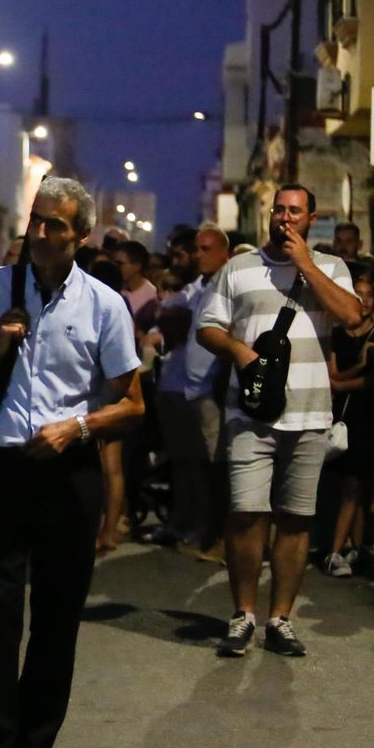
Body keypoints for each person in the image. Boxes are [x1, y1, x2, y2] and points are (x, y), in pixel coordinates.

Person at [0, 176, 143, 748]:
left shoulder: (103, 306)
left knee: (57, 618)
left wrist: (76, 427)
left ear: (80, 235)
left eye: (55, 225)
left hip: (67, 473)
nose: (40, 233)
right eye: (36, 219)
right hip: (1, 469)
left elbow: (132, 403)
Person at [195, 183, 360, 658]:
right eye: (280, 209)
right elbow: (208, 327)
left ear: (311, 219)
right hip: (250, 413)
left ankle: (280, 619)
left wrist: (306, 263)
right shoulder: (240, 268)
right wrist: (240, 351)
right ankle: (243, 613)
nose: (286, 217)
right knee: (247, 513)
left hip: (309, 414)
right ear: (270, 214)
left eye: (296, 211)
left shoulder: (331, 269)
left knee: (296, 519)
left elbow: (351, 315)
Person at [153, 226, 230, 551]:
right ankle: (193, 524)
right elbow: (167, 310)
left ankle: (215, 532)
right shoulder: (199, 286)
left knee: (213, 465)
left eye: (206, 249)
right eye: (197, 249)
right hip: (188, 386)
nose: (199, 255)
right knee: (189, 461)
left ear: (224, 252)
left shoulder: (228, 285)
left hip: (210, 388)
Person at [323, 267, 374, 576]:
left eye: (368, 295)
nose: (362, 301)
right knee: (349, 486)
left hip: (370, 415)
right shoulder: (338, 332)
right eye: (357, 294)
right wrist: (359, 366)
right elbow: (333, 377)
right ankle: (335, 551)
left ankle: (353, 549)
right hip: (346, 417)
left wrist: (352, 376)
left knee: (361, 488)